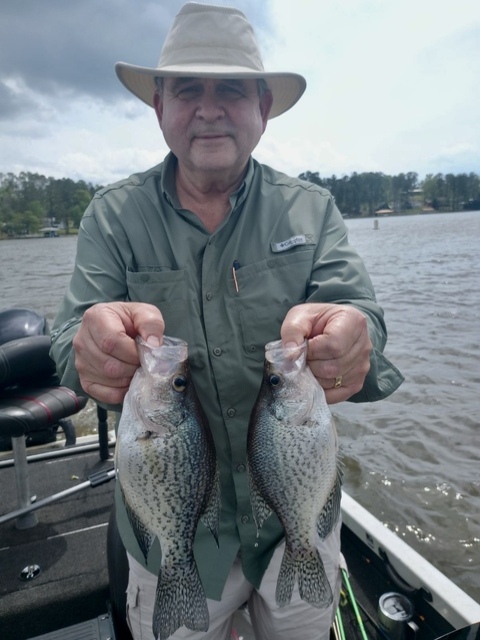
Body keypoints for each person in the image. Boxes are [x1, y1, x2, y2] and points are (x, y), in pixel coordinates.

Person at [50, 3, 404, 639]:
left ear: (263, 109)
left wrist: (357, 338)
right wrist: (85, 348)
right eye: (187, 89)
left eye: (231, 90)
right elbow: (65, 342)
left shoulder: (313, 211)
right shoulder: (112, 217)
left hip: (298, 519)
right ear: (159, 108)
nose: (208, 109)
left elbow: (364, 320)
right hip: (171, 537)